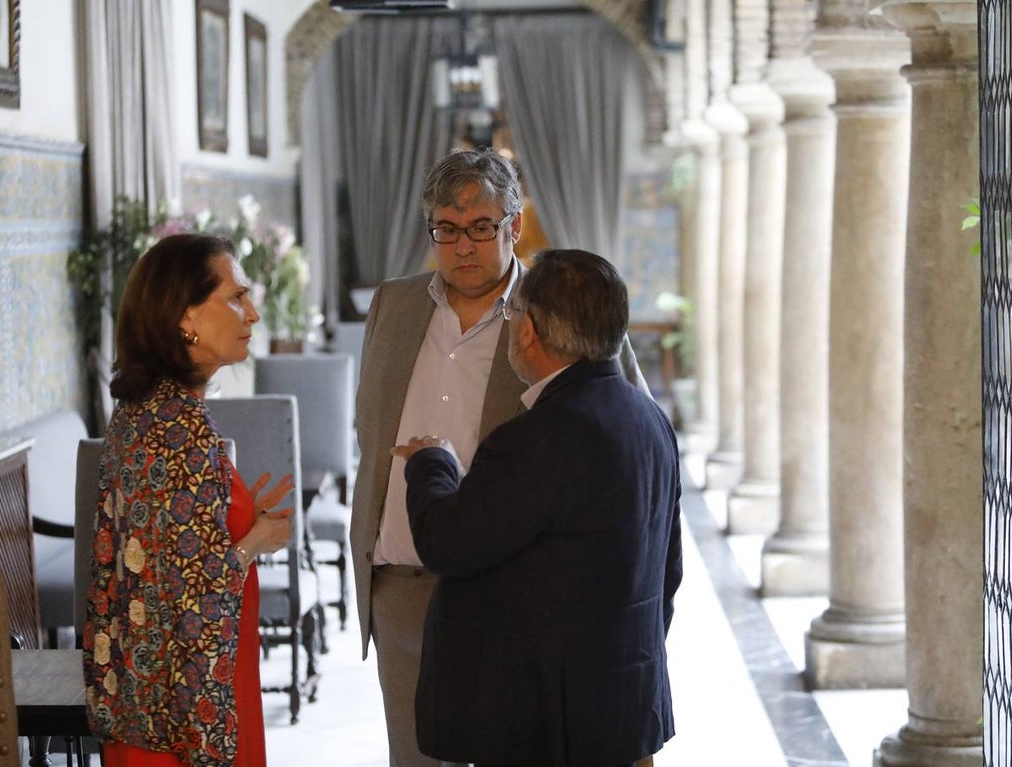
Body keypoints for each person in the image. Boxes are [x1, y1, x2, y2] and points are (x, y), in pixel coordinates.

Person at [350, 148, 646, 766]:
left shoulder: (559, 308)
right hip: (401, 590)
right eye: (446, 229)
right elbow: (370, 429)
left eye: (481, 227)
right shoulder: (393, 304)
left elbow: (626, 437)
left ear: (514, 225)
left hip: (513, 600)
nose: (463, 246)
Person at [393, 249, 682, 767]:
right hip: (623, 700)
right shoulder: (648, 416)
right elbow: (669, 569)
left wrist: (432, 461)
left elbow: (446, 542)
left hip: (546, 718)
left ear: (527, 330)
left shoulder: (539, 437)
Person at [83, 233, 295, 767]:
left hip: (146, 699)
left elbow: (168, 555)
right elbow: (193, 595)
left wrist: (240, 517)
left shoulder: (145, 409)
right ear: (186, 317)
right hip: (185, 712)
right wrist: (256, 542)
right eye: (236, 297)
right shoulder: (181, 429)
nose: (253, 314)